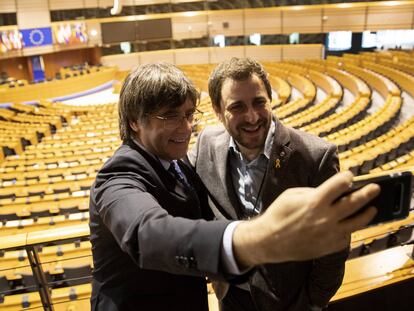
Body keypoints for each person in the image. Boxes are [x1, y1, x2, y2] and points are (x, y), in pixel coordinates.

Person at [89, 62, 379, 311]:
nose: (186, 127)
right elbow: (147, 234)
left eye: (189, 115)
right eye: (170, 116)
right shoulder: (118, 175)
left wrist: (314, 302)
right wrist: (255, 239)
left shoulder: (178, 160)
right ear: (134, 122)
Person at [187, 57, 348, 311]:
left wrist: (313, 303)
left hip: (290, 301)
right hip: (229, 295)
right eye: (237, 107)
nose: (252, 117)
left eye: (259, 102)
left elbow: (335, 244)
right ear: (218, 112)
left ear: (270, 100)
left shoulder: (316, 156)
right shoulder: (207, 142)